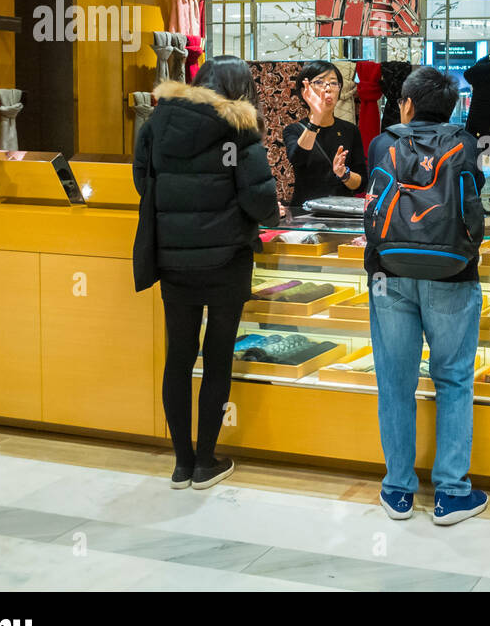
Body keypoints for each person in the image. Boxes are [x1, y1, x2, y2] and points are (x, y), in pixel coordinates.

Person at [134, 55, 280, 490]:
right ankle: (205, 462)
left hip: (173, 260)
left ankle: (181, 464)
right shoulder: (239, 129)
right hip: (226, 262)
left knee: (178, 357)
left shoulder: (157, 124)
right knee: (217, 361)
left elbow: (144, 183)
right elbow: (261, 203)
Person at [363, 66, 488, 525]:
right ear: (453, 106)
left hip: (389, 274)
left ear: (407, 104)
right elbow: (475, 209)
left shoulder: (382, 142)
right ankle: (452, 493)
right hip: (453, 274)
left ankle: (398, 490)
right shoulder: (466, 142)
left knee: (396, 383)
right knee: (453, 379)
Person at [283, 60, 366, 209]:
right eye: (320, 82)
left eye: (333, 83)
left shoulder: (350, 130)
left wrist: (344, 174)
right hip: (304, 214)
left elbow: (361, 184)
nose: (327, 88)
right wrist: (316, 119)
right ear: (304, 91)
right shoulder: (294, 130)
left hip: (341, 214)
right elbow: (297, 159)